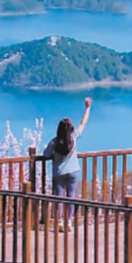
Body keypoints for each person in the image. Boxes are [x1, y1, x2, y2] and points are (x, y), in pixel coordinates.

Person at [42, 97, 92, 230]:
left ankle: (59, 222)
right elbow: (83, 123)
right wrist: (87, 108)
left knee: (58, 198)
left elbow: (45, 154)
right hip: (73, 171)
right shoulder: (73, 138)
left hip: (59, 173)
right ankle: (68, 221)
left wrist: (53, 155)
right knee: (71, 197)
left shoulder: (54, 142)